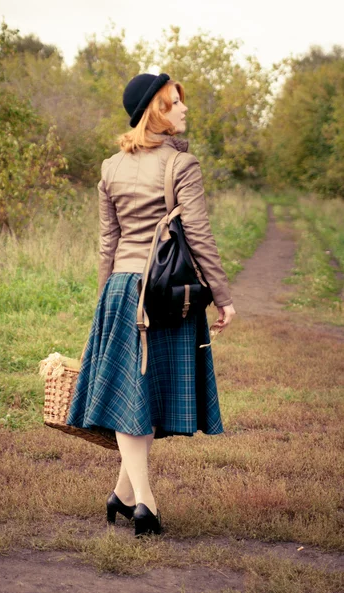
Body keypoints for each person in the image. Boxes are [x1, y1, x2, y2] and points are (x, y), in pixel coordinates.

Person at [66, 73, 236, 537]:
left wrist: (107, 299)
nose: (183, 109)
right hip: (166, 292)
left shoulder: (109, 167)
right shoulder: (183, 166)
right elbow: (198, 235)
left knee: (138, 395)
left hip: (122, 288)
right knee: (139, 398)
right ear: (156, 111)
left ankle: (122, 495)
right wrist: (222, 295)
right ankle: (145, 503)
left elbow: (108, 244)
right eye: (175, 102)